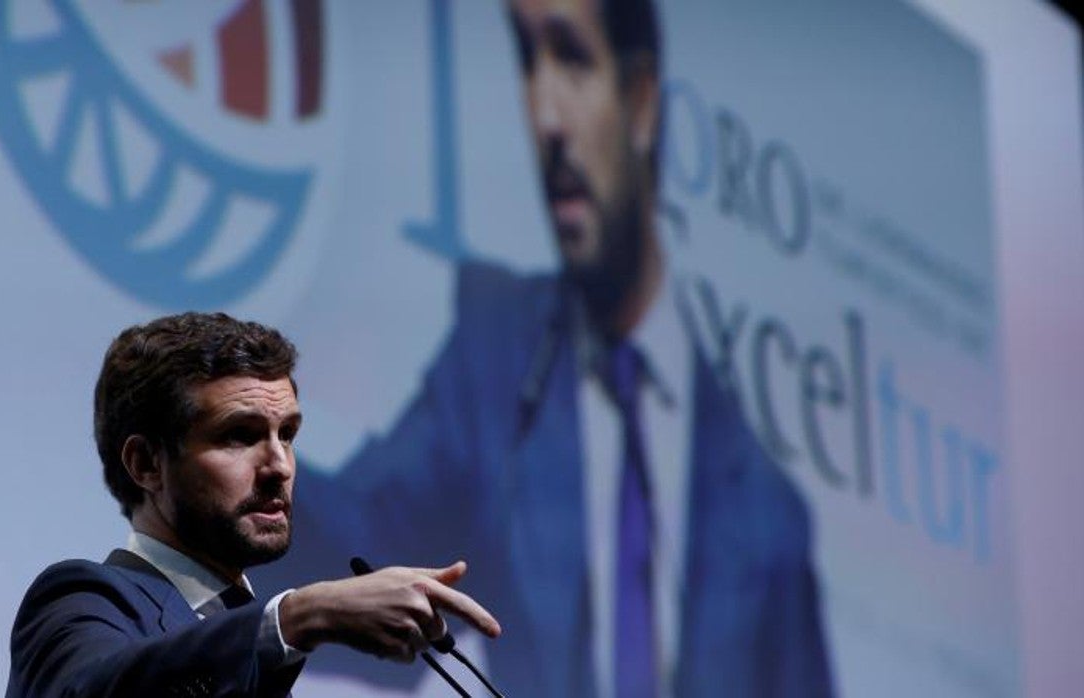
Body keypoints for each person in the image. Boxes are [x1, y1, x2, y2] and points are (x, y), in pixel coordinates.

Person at [269, 0, 835, 696]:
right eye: (526, 61)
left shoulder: (769, 513)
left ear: (640, 100)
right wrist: (219, 472)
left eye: (570, 57)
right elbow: (356, 543)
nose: (545, 119)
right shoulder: (497, 360)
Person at [4, 313, 502, 698]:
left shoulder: (257, 648)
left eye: (287, 434)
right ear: (146, 464)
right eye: (239, 436)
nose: (279, 465)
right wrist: (304, 613)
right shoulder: (82, 601)